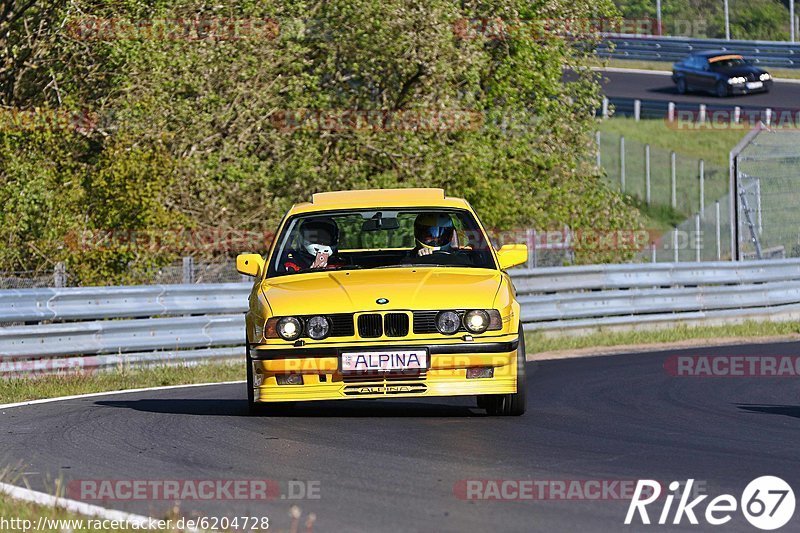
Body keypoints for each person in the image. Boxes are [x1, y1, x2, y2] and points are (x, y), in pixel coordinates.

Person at [281, 218, 346, 272]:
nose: (321, 241)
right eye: (315, 237)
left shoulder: (341, 266)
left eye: (325, 237)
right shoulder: (292, 265)